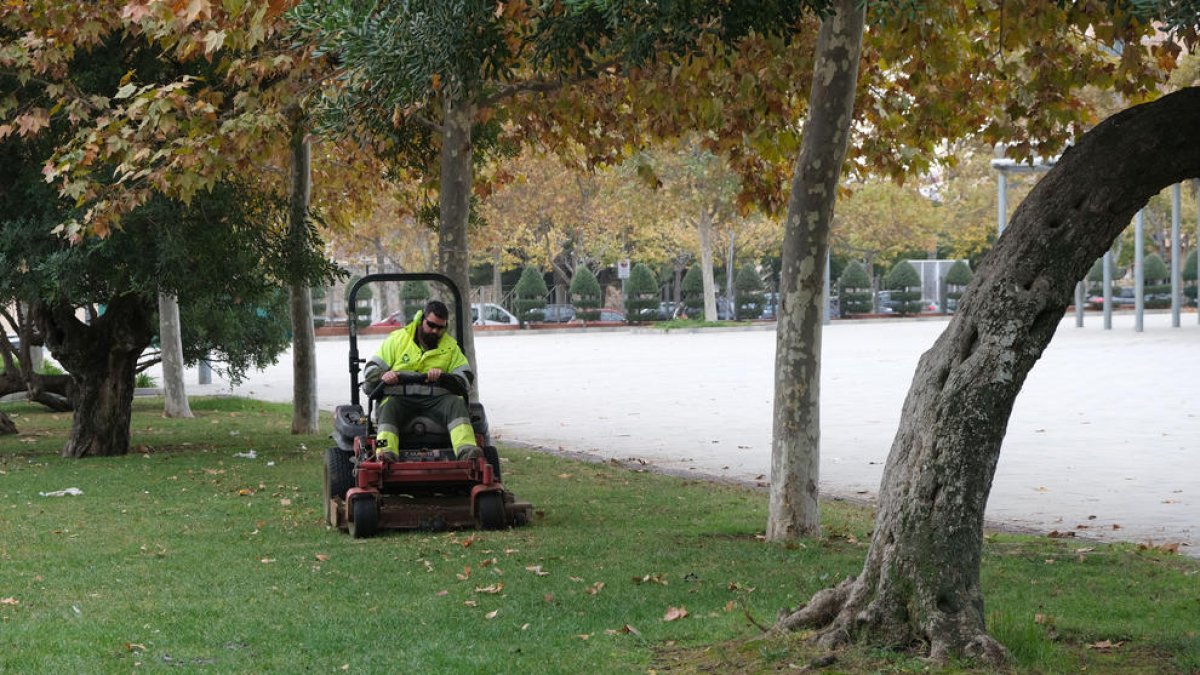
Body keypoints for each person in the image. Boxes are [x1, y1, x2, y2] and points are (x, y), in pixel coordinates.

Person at [362, 300, 481, 460]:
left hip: (438, 401)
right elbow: (371, 370)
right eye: (431, 325)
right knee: (387, 407)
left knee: (456, 403)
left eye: (440, 328)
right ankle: (384, 452)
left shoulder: (451, 347)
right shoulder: (397, 340)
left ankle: (467, 452)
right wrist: (384, 375)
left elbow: (465, 378)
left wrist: (445, 377)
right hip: (399, 399)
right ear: (421, 319)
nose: (434, 331)